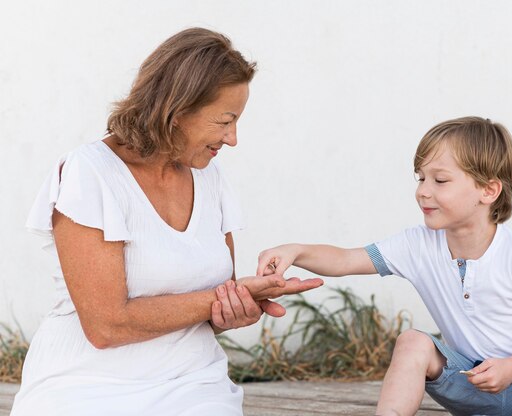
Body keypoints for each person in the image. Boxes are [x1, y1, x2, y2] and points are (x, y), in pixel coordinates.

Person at [12, 28, 322, 416]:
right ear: (177, 111)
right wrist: (217, 299)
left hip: (193, 385)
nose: (233, 138)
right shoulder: (89, 173)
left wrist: (237, 305)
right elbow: (106, 327)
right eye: (225, 121)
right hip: (85, 385)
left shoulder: (209, 176)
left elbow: (204, 309)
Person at [257, 116, 512, 416]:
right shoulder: (418, 244)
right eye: (420, 178)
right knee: (413, 342)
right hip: (468, 382)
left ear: (488, 190)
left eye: (440, 180)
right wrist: (296, 250)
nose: (423, 190)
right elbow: (345, 259)